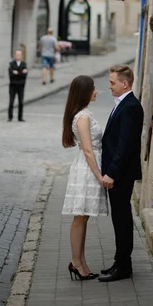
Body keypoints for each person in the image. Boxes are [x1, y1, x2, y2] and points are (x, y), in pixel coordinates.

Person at [99, 65, 144, 283]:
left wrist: (112, 173)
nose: (109, 86)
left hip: (121, 175)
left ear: (124, 83)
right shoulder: (123, 104)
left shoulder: (131, 107)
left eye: (112, 83)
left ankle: (124, 266)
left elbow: (124, 146)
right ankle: (120, 262)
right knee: (119, 219)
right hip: (118, 173)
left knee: (123, 219)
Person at [62, 75, 108, 281]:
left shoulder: (83, 114)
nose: (96, 91)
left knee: (83, 216)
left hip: (88, 167)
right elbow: (88, 150)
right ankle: (76, 262)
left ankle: (80, 261)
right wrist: (99, 175)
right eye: (93, 88)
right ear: (85, 93)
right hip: (87, 170)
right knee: (80, 216)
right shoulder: (83, 117)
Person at [8, 49, 28, 122]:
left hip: (21, 86)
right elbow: (11, 73)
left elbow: (25, 75)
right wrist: (20, 73)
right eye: (17, 54)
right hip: (13, 85)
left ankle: (20, 117)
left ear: (21, 56)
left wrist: (17, 73)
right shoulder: (11, 63)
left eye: (19, 54)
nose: (18, 56)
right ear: (14, 55)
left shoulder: (24, 64)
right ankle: (10, 117)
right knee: (11, 101)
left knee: (21, 102)